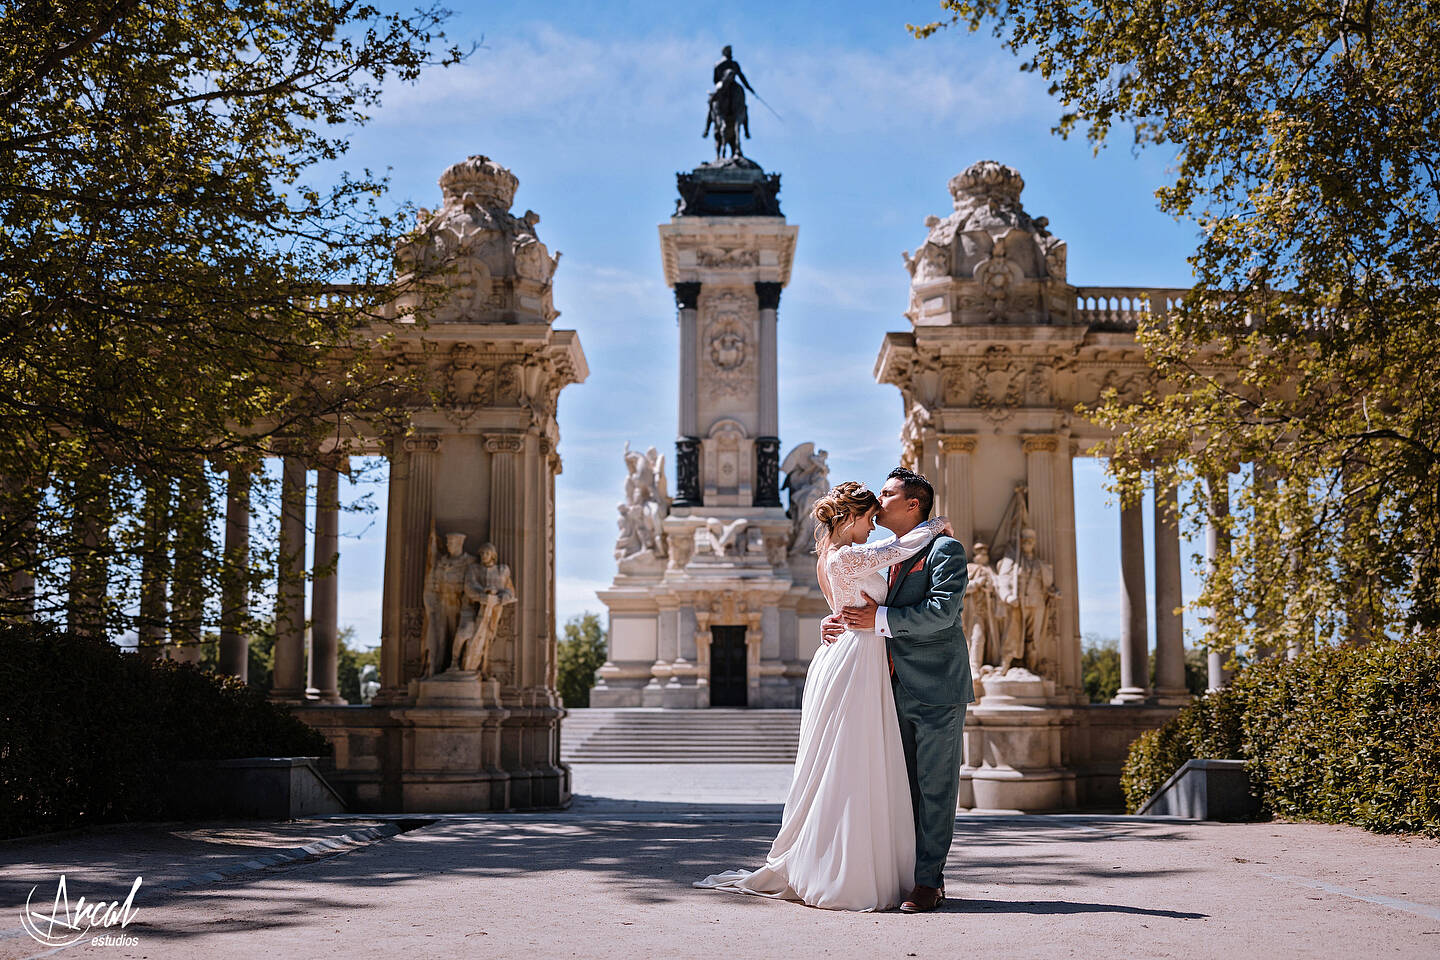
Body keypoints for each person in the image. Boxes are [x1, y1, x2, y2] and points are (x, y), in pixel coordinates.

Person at [694, 480, 956, 911]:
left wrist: (835, 620)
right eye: (869, 518)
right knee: (852, 762)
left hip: (854, 654)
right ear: (851, 518)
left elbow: (846, 604)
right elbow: (897, 553)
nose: (873, 526)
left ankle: (849, 863)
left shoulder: (828, 558)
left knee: (848, 761)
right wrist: (939, 523)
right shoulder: (853, 555)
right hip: (855, 659)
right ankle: (848, 868)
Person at [825, 467, 972, 913]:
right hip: (882, 686)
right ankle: (901, 877)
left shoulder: (946, 550)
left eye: (888, 494)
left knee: (934, 788)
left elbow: (942, 612)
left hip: (935, 688)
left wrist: (878, 621)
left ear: (913, 505)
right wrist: (839, 619)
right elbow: (857, 596)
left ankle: (929, 881)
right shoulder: (879, 551)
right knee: (896, 788)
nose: (879, 499)